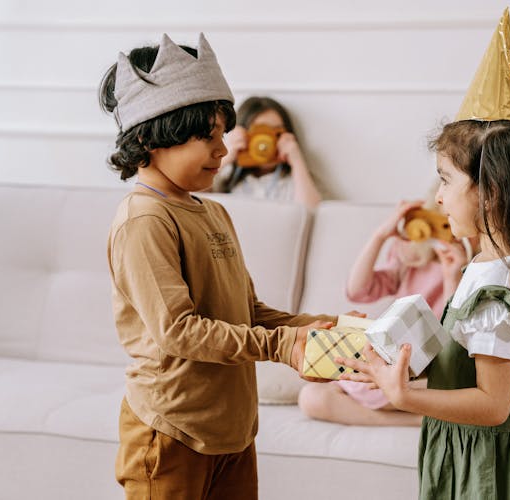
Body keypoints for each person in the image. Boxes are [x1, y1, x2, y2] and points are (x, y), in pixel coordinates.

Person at [336, 9, 510, 499]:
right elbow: (471, 360)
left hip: (489, 470)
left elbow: (492, 405)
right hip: (498, 456)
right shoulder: (497, 263)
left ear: (491, 191)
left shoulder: (497, 295)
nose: (436, 197)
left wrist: (404, 396)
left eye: (445, 180)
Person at [99, 33, 336, 500]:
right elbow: (180, 332)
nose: (223, 150)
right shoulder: (144, 221)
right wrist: (283, 345)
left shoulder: (214, 211)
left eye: (222, 135)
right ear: (150, 137)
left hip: (231, 430)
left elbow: (244, 310)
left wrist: (319, 328)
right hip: (171, 433)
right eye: (206, 137)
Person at [298, 194, 475, 426]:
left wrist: (453, 278)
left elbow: (452, 343)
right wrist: (380, 236)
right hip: (396, 363)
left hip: (433, 370)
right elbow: (357, 290)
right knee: (311, 397)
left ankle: (420, 408)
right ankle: (421, 420)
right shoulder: (413, 255)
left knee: (455, 386)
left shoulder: (477, 269)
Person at [211, 96, 322, 208]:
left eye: (277, 134)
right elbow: (197, 197)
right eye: (260, 133)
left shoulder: (294, 181)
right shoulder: (227, 176)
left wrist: (297, 161)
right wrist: (226, 157)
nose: (266, 144)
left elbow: (312, 213)